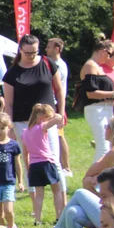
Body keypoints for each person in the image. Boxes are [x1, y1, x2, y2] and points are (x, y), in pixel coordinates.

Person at [2, 35, 66, 198]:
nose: (31, 56)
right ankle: (36, 208)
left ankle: (62, 203)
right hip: (23, 122)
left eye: (34, 52)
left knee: (53, 160)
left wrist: (60, 112)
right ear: (20, 51)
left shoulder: (47, 63)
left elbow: (59, 90)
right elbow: (8, 103)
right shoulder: (12, 73)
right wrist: (9, 127)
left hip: (48, 120)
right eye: (28, 53)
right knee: (29, 161)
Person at [19, 104, 66, 225]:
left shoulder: (24, 133)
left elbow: (25, 154)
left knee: (39, 195)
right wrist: (52, 116)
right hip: (47, 162)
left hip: (34, 165)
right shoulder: (41, 127)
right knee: (57, 190)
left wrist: (28, 167)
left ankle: (37, 219)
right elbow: (59, 117)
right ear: (42, 117)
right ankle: (59, 216)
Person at [46, 38, 72, 174]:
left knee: (59, 136)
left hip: (55, 105)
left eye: (49, 47)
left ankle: (66, 168)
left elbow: (56, 87)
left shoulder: (58, 66)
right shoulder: (52, 63)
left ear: (57, 49)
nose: (46, 49)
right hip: (53, 105)